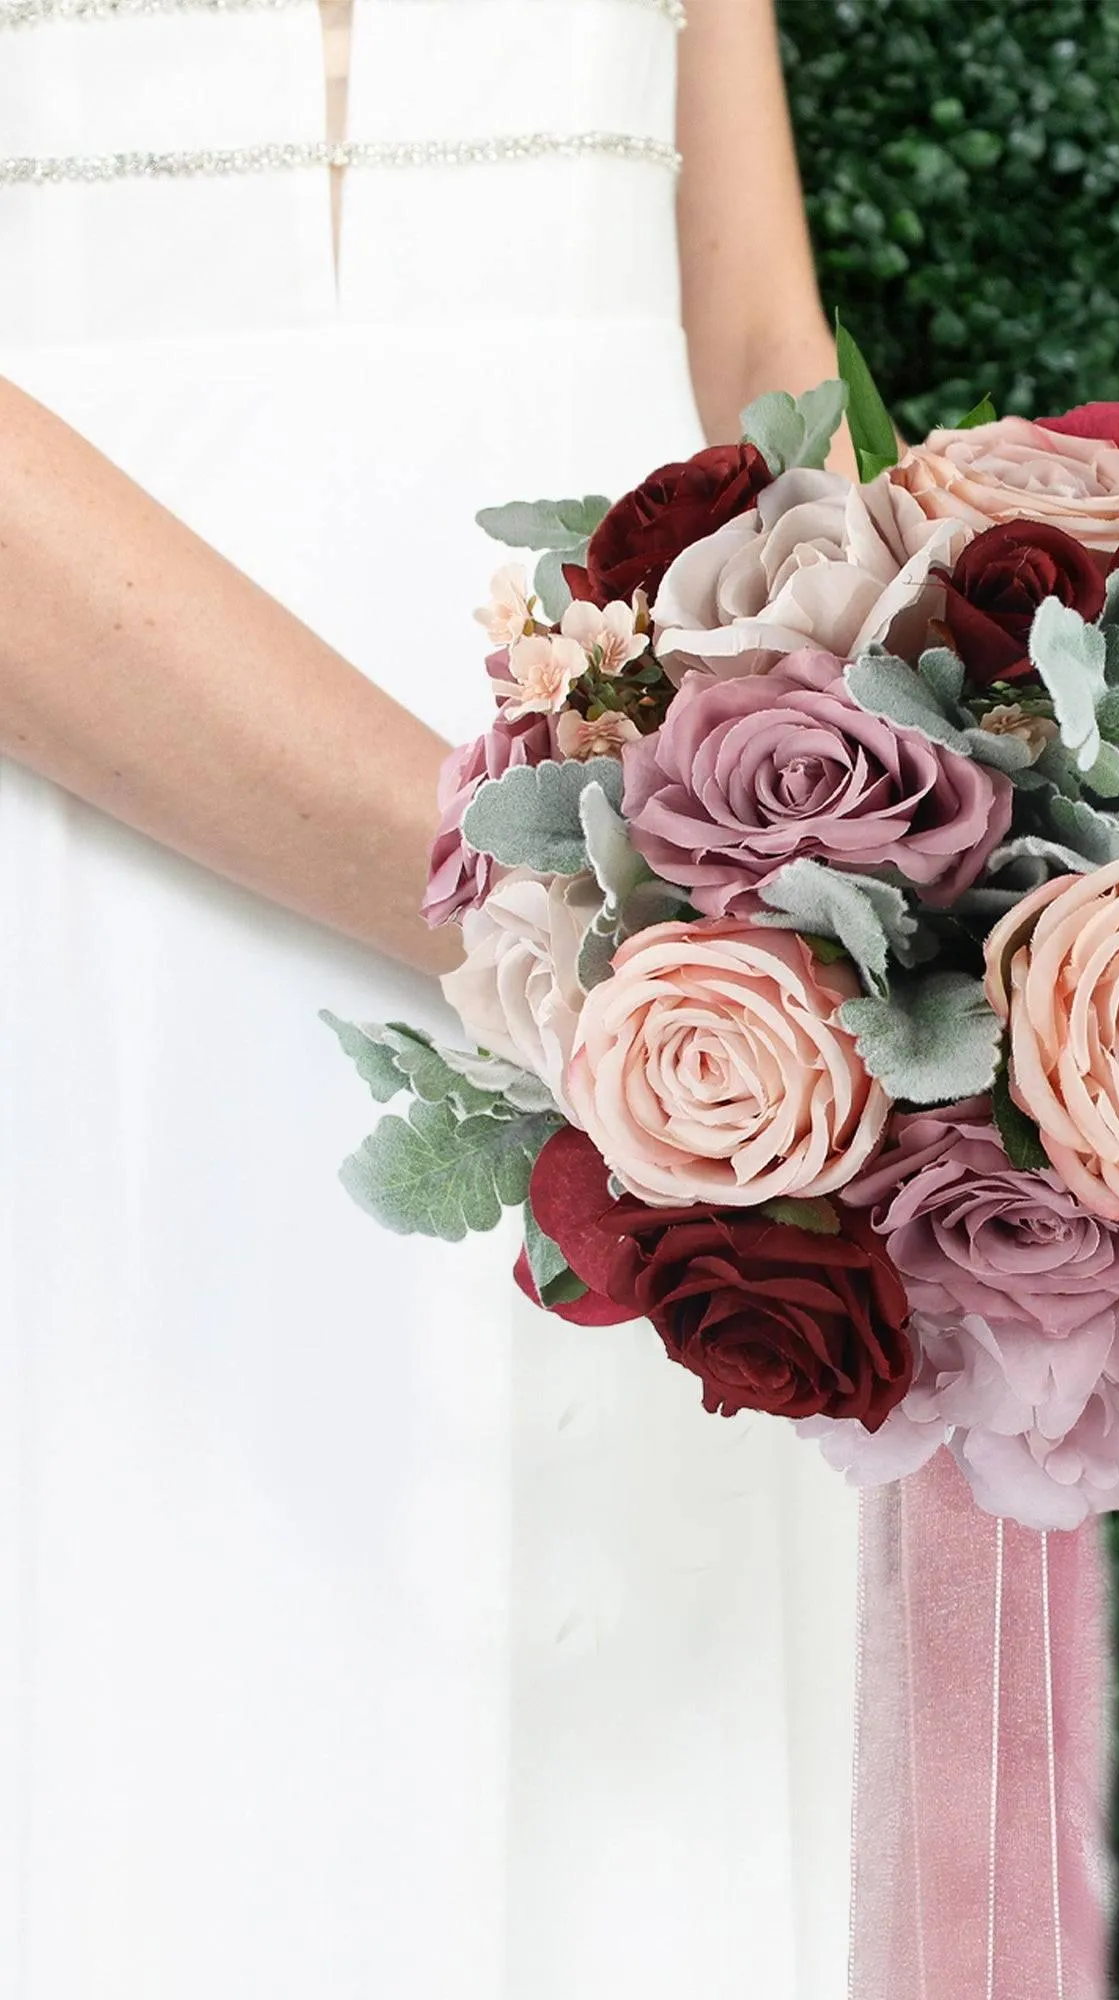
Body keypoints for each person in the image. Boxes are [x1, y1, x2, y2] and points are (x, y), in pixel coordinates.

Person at [0, 2, 859, 1993]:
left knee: (629, 1821)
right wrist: (535, 911)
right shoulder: (580, 937)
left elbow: (754, 350)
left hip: (674, 1001)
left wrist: (930, 843)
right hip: (103, 909)